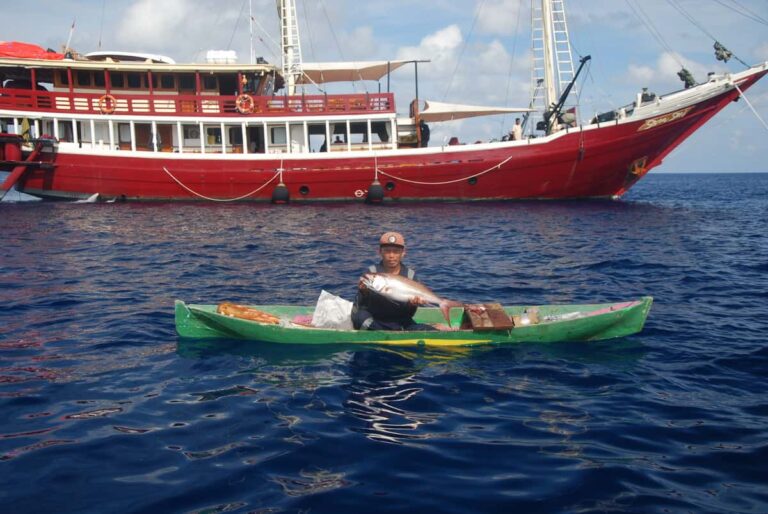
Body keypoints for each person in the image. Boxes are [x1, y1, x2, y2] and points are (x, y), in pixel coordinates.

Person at [351, 232, 437, 331]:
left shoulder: (410, 275)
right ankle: (387, 333)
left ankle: (391, 332)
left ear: (403, 253)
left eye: (396, 251)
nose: (391, 255)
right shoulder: (371, 272)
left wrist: (413, 304)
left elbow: (410, 313)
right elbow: (361, 305)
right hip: (377, 320)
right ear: (380, 252)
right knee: (360, 318)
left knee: (426, 330)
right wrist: (364, 292)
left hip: (402, 321)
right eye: (387, 251)